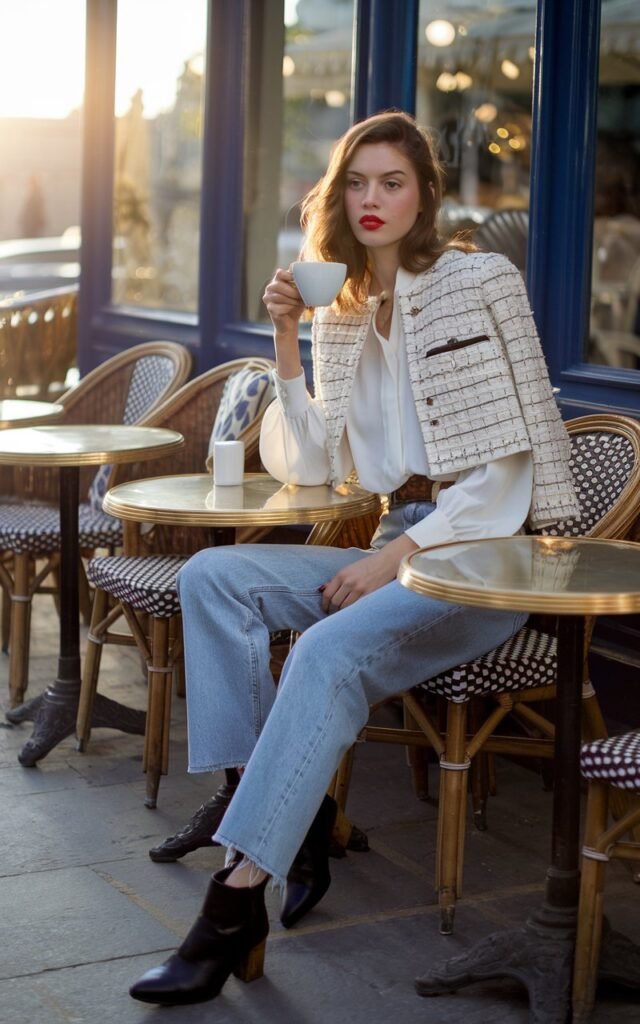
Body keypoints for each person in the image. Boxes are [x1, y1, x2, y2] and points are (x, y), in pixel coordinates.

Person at [130, 110, 579, 1007]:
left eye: (393, 182)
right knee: (214, 577)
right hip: (390, 544)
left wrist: (394, 558)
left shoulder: (477, 280)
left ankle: (233, 902)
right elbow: (309, 467)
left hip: (481, 562)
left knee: (329, 653)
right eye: (358, 184)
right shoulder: (339, 308)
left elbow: (507, 472)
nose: (373, 200)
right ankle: (280, 821)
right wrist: (289, 342)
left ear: (425, 194)